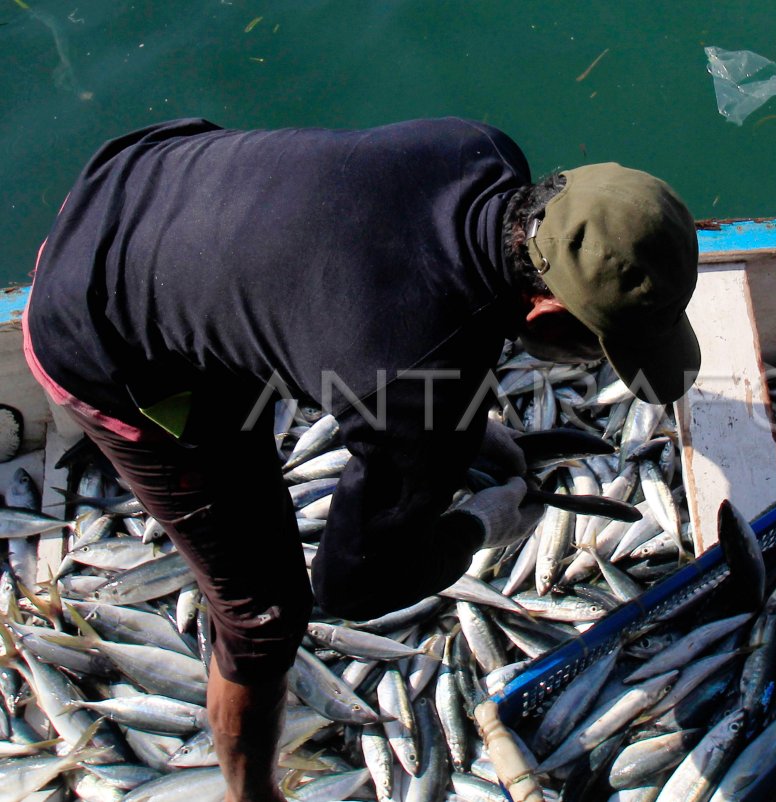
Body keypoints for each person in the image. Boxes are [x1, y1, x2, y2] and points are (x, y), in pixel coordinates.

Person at [22, 117, 701, 801]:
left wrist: (450, 425)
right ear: (548, 316)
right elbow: (349, 588)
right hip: (93, 336)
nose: (594, 362)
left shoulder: (482, 149)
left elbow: (411, 308)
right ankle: (250, 795)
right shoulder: (414, 388)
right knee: (264, 619)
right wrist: (481, 527)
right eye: (598, 348)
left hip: (138, 175)